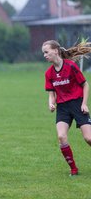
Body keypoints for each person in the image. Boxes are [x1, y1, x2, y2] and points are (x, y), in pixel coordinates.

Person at [42, 40, 91, 176]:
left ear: (56, 51)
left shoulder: (71, 66)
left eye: (46, 52)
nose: (44, 55)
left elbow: (85, 85)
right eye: (43, 53)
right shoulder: (48, 73)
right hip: (63, 108)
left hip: (77, 104)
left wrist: (84, 103)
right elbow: (51, 94)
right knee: (61, 136)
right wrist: (51, 103)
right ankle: (74, 169)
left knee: (88, 138)